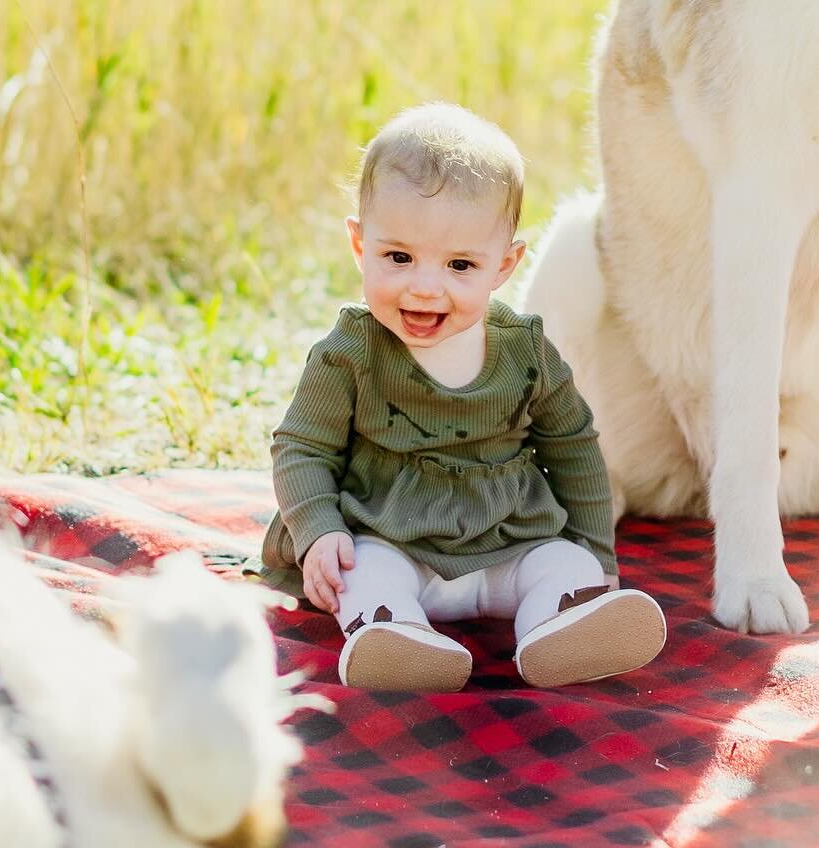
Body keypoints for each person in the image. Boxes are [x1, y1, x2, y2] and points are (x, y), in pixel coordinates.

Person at [250, 103, 666, 692]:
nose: (424, 286)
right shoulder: (350, 353)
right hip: (391, 538)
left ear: (504, 265)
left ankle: (559, 619)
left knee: (564, 566)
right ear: (358, 244)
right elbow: (301, 449)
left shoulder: (524, 353)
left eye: (459, 264)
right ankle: (395, 635)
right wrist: (318, 531)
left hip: (508, 543)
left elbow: (574, 449)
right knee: (356, 572)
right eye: (398, 257)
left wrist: (597, 554)